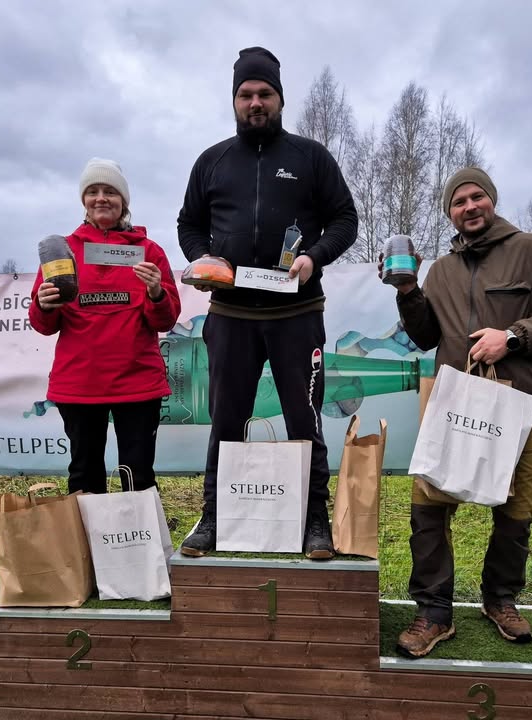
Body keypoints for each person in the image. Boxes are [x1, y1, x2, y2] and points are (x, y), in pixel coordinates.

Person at [384, 167, 532, 656]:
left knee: (516, 514)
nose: (469, 206)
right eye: (458, 202)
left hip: (524, 409)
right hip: (454, 407)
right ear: (450, 213)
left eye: (477, 197)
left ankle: (500, 600)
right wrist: (408, 292)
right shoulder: (441, 270)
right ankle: (434, 612)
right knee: (429, 509)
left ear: (491, 200)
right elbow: (426, 337)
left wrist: (512, 337)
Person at [177, 47, 358, 559]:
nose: (255, 103)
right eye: (246, 94)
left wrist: (314, 257)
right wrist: (203, 258)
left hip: (296, 314)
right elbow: (188, 224)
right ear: (234, 100)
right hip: (231, 314)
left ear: (280, 98)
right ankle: (214, 517)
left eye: (264, 94)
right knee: (226, 420)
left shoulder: (310, 157)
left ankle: (315, 522)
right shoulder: (211, 161)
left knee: (305, 420)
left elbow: (345, 219)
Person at [30, 157, 182, 494]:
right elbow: (43, 325)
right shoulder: (63, 251)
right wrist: (44, 304)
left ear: (123, 201)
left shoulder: (148, 251)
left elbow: (166, 319)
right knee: (84, 476)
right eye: (93, 191)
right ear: (83, 200)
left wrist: (156, 292)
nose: (101, 198)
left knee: (138, 476)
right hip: (79, 382)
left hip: (138, 381)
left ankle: (139, 531)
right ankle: (89, 532)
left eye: (110, 192)